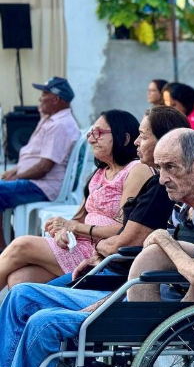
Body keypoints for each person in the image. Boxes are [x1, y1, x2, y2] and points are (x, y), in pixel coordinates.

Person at [0, 129, 194, 367]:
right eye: (160, 168)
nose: (162, 178)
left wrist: (162, 239)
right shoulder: (185, 203)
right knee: (21, 296)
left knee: (44, 323)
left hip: (160, 313)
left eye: (170, 167)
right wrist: (102, 261)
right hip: (135, 296)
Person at [42, 106, 189, 288]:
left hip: (121, 277)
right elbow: (117, 234)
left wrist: (96, 248)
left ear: (164, 142)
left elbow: (122, 241)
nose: (136, 142)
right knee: (21, 281)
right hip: (107, 263)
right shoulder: (155, 183)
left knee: (23, 290)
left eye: (142, 136)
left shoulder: (160, 187)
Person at [0, 110, 148, 288]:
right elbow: (79, 217)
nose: (92, 139)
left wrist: (75, 228)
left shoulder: (136, 169)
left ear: (124, 138)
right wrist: (64, 230)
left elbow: (126, 230)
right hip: (78, 245)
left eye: (99, 133)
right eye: (91, 133)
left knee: (22, 245)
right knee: (19, 279)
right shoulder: (100, 173)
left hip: (100, 251)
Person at [0, 77, 80, 247]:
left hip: (43, 186)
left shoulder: (60, 125)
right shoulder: (52, 119)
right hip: (35, 182)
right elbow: (33, 156)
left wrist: (17, 177)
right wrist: (14, 173)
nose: (40, 99)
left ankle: (2, 248)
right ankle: (7, 242)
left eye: (44, 94)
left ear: (56, 99)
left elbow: (44, 168)